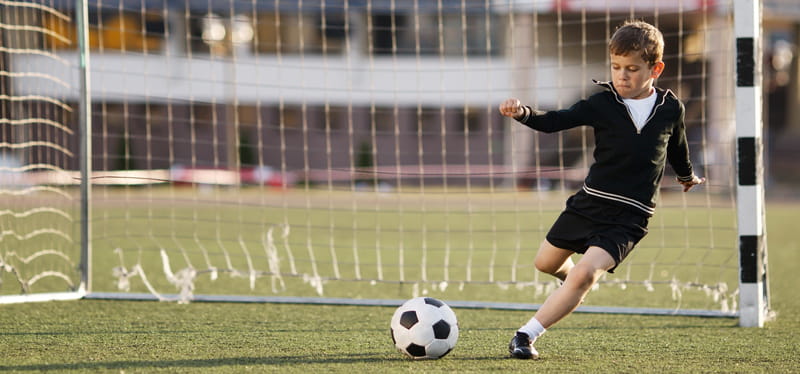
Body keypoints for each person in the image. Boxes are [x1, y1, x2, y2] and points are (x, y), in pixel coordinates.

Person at [498, 20, 705, 359]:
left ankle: (525, 336)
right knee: (545, 263)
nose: (622, 75)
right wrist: (523, 113)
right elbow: (555, 121)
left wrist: (687, 177)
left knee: (584, 274)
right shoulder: (602, 103)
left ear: (656, 68)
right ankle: (572, 284)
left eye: (632, 69)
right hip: (589, 203)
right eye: (616, 67)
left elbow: (678, 149)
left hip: (630, 217)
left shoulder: (671, 108)